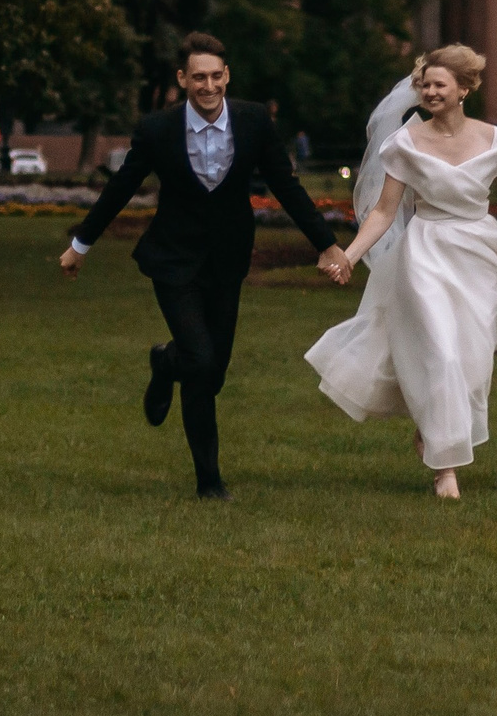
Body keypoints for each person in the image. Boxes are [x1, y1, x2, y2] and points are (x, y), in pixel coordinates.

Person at [305, 44, 497, 501]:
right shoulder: (405, 144)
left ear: (464, 89)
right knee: (441, 351)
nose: (430, 92)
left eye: (440, 85)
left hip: (481, 255)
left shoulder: (494, 140)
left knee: (472, 360)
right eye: (425, 84)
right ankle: (445, 468)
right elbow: (383, 212)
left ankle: (433, 424)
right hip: (425, 253)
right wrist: (350, 256)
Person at [59, 34, 350, 500]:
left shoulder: (254, 121)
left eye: (216, 76)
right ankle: (209, 482)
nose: (208, 85)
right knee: (201, 362)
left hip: (228, 260)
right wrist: (81, 244)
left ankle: (164, 361)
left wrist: (327, 245)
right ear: (183, 80)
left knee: (212, 372)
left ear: (227, 76)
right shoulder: (158, 129)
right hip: (173, 259)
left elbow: (286, 185)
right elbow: (122, 186)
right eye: (199, 77)